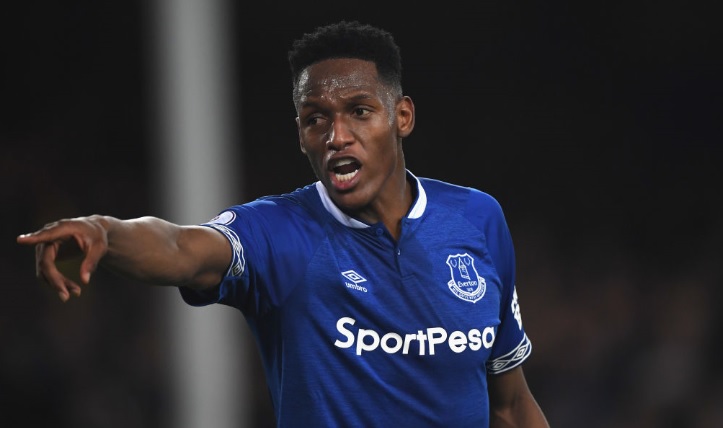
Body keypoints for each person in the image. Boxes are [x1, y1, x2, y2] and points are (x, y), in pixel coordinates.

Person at [17, 20, 549, 427]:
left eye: (359, 111)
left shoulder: (477, 220)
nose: (337, 136)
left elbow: (510, 404)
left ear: (401, 116)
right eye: (317, 119)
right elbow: (182, 248)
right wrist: (105, 232)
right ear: (301, 134)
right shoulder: (280, 233)